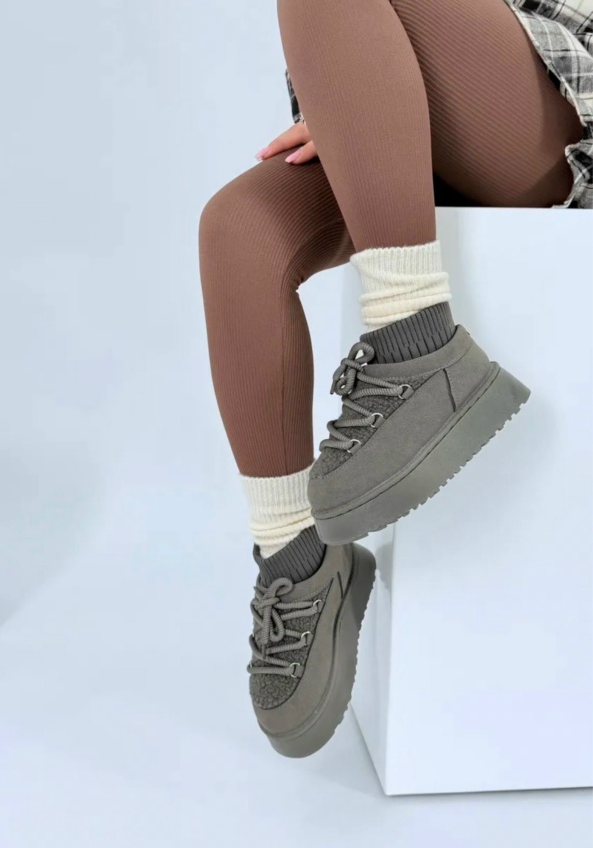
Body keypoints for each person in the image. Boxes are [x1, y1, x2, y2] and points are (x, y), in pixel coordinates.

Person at [197, 0, 592, 759]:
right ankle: (297, 565)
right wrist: (348, 92)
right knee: (237, 229)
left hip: (563, 97)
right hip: (435, 99)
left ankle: (414, 343)